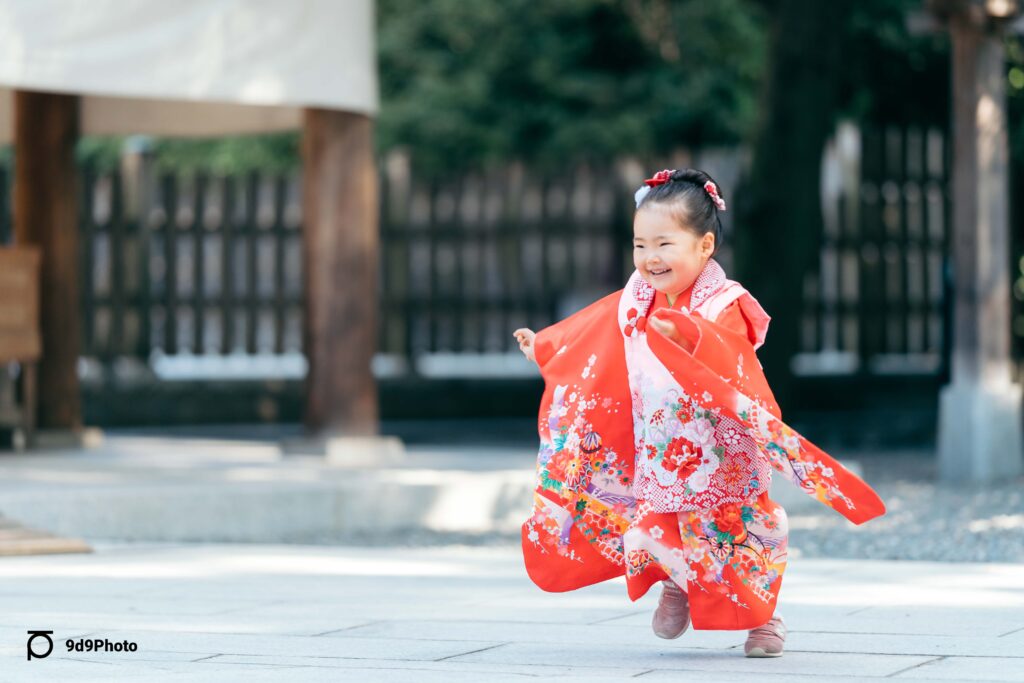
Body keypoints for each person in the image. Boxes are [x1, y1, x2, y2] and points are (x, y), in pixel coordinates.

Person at [513, 168, 885, 658]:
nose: (650, 258)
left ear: (704, 246)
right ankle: (676, 583)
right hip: (661, 441)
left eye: (664, 244)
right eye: (640, 245)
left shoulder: (724, 300)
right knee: (657, 521)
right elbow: (594, 332)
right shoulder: (635, 299)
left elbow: (733, 351)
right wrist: (547, 346)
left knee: (736, 530)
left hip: (720, 445)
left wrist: (689, 336)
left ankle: (763, 619)